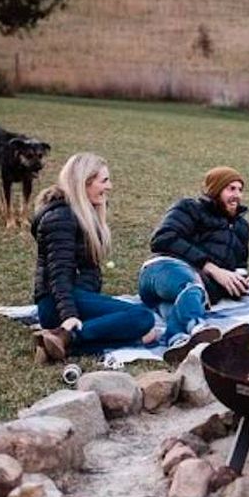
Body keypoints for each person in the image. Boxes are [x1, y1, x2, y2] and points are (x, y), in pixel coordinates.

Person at [31, 153, 160, 363]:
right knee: (143, 318)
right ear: (84, 182)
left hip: (78, 298)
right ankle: (65, 335)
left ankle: (57, 345)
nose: (109, 187)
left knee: (146, 330)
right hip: (58, 304)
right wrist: (69, 316)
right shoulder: (61, 218)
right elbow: (59, 275)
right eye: (104, 181)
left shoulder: (85, 213)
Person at [138, 166, 249, 365]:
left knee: (181, 303)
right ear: (215, 190)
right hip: (162, 271)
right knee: (192, 284)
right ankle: (198, 327)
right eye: (231, 189)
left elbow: (239, 265)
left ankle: (177, 341)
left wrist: (238, 281)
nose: (237, 195)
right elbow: (162, 239)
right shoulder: (190, 208)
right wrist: (211, 267)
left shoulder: (242, 227)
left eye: (240, 189)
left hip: (190, 294)